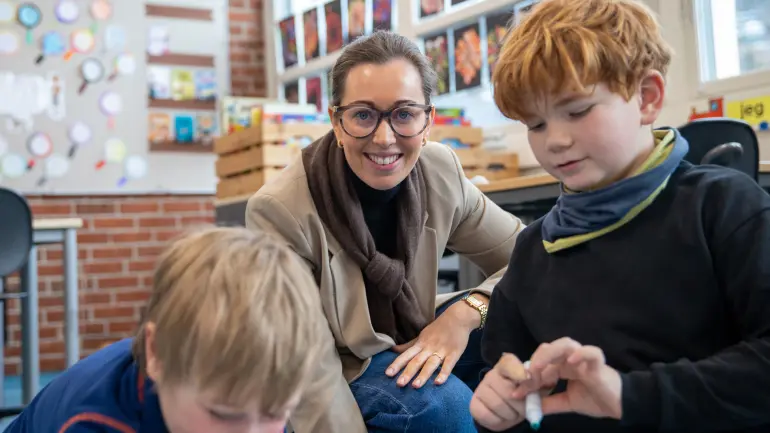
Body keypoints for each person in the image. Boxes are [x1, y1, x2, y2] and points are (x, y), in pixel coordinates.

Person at [470, 0, 770, 432]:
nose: (554, 141)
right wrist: (499, 410)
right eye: (535, 124)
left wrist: (631, 397)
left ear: (647, 97)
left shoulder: (724, 208)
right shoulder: (533, 250)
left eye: (577, 111)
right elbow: (506, 383)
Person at [246, 31, 525, 432]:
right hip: (339, 366)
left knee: (534, 335)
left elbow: (528, 258)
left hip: (406, 335)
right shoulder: (280, 210)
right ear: (337, 122)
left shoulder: (440, 170)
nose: (384, 137)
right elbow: (304, 365)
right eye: (363, 115)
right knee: (444, 409)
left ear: (428, 122)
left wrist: (466, 313)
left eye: (404, 114)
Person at [6, 227, 328, 433]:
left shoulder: (249, 399)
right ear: (156, 354)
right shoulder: (94, 422)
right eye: (224, 415)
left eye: (276, 414)